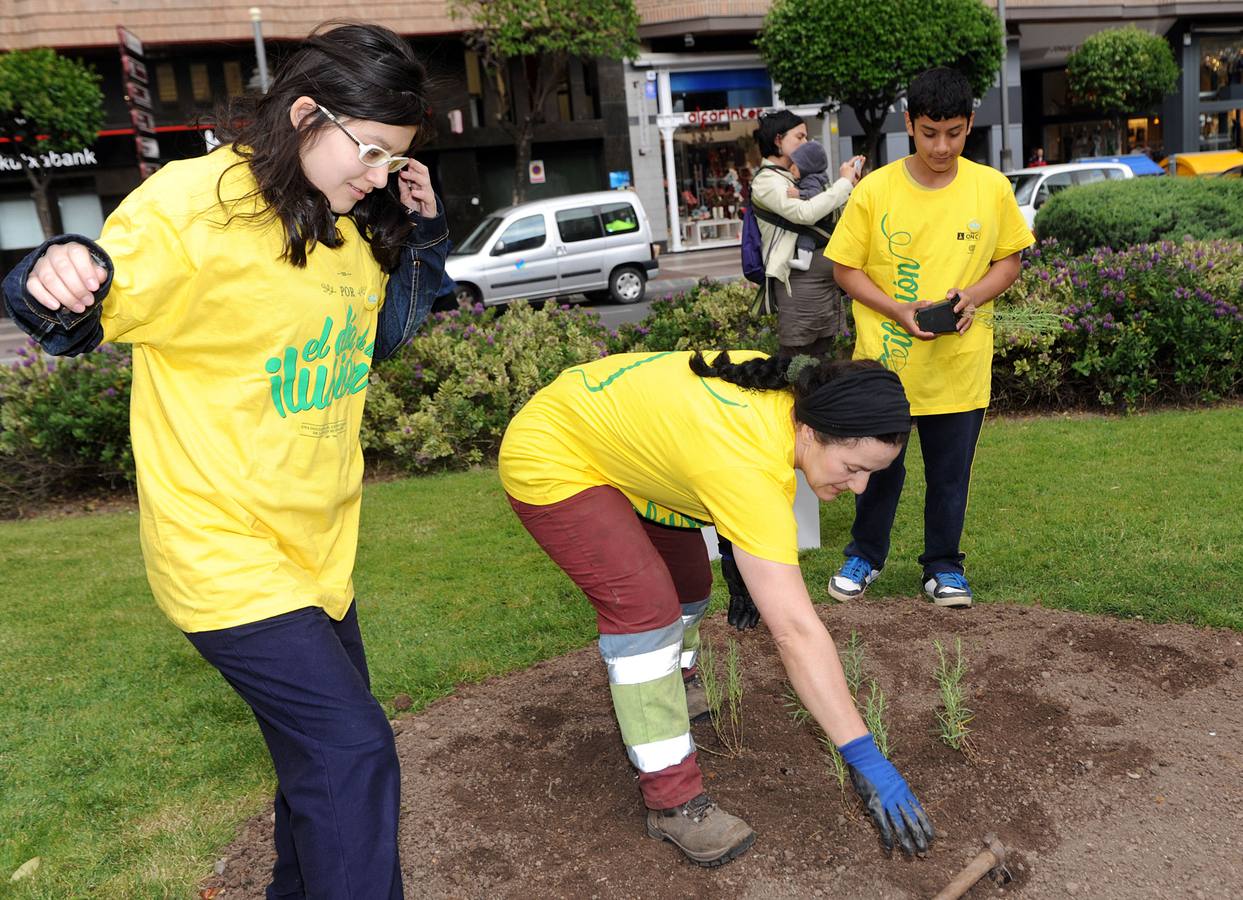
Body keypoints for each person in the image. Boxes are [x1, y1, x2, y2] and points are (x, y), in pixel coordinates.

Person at [1, 23, 450, 898]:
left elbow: (378, 340)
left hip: (319, 556)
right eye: (369, 154)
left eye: (394, 160)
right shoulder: (195, 201)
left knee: (316, 765)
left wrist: (417, 230)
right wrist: (53, 273)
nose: (376, 174)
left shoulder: (350, 215)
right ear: (306, 111)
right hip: (222, 554)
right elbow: (84, 299)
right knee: (352, 750)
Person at [499, 349, 934, 868]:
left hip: (621, 444)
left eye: (872, 475)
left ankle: (674, 684)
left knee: (689, 582)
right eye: (853, 468)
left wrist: (737, 548)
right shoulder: (746, 463)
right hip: (555, 454)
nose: (859, 486)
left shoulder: (792, 394)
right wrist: (865, 757)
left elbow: (699, 446)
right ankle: (672, 801)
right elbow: (795, 631)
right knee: (646, 612)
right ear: (812, 432)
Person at [826, 66, 1033, 609]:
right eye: (929, 133)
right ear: (909, 123)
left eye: (955, 133)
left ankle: (943, 566)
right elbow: (845, 269)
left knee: (949, 477)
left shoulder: (990, 187)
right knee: (874, 470)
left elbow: (1009, 260)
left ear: (970, 125)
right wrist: (896, 308)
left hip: (959, 368)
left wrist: (974, 296)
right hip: (884, 370)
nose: (942, 146)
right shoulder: (875, 191)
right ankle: (864, 556)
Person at [749, 110, 865, 358]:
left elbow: (829, 215)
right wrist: (842, 184)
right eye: (799, 137)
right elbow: (804, 214)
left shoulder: (794, 175)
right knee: (798, 358)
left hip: (821, 285)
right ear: (779, 140)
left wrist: (850, 185)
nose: (806, 143)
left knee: (821, 354)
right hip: (799, 285)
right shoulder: (767, 181)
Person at [789, 139, 833, 267]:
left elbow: (817, 195)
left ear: (807, 167)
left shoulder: (810, 179)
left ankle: (804, 261)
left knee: (806, 235)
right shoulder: (819, 176)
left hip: (822, 227)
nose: (791, 169)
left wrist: (799, 194)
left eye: (795, 166)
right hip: (827, 225)